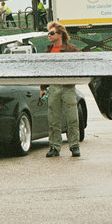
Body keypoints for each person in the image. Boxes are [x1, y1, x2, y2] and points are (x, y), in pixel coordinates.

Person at [40, 21, 81, 158]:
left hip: (68, 87)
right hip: (54, 87)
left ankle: (74, 146)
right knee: (53, 119)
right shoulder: (48, 51)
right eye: (48, 33)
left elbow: (81, 63)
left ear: (60, 34)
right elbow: (44, 71)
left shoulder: (71, 49)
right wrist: (43, 88)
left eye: (52, 33)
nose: (49, 36)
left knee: (72, 118)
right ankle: (54, 147)